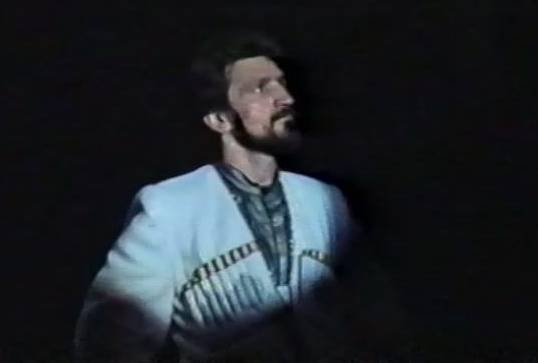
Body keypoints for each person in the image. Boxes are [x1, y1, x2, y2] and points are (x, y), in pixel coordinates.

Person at [74, 31, 364, 362]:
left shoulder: (325, 201)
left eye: (282, 84)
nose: (285, 98)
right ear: (219, 119)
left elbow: (373, 315)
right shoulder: (171, 208)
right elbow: (110, 340)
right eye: (260, 88)